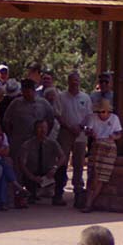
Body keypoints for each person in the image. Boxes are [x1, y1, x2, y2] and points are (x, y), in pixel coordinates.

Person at [54, 72, 91, 208]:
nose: (74, 83)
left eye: (77, 80)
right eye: (72, 80)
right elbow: (57, 114)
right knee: (62, 162)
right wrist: (69, 127)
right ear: (68, 81)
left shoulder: (85, 98)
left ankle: (78, 194)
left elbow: (89, 115)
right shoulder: (61, 97)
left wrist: (80, 127)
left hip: (80, 135)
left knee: (79, 164)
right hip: (65, 133)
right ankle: (58, 193)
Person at [3, 79, 54, 173]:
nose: (26, 94)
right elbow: (6, 121)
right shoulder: (16, 103)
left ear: (33, 91)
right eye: (24, 91)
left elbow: (50, 120)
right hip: (19, 140)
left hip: (36, 140)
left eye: (28, 91)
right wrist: (11, 135)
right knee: (18, 166)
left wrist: (45, 135)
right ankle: (18, 186)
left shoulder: (43, 103)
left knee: (35, 166)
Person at [81, 98, 122, 213]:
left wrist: (113, 137)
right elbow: (87, 130)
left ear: (108, 112)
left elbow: (119, 133)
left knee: (101, 178)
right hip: (96, 147)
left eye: (103, 112)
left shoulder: (114, 119)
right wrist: (90, 133)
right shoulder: (92, 118)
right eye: (99, 112)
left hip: (108, 149)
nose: (100, 114)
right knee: (93, 174)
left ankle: (90, 202)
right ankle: (88, 202)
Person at [15, 119, 63, 205]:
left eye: (44, 127)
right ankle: (31, 194)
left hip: (48, 171)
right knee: (23, 173)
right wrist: (32, 176)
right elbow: (22, 163)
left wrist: (54, 168)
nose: (42, 130)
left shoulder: (53, 143)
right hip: (33, 172)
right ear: (35, 129)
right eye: (40, 128)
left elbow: (62, 156)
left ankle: (58, 197)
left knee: (62, 170)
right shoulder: (27, 144)